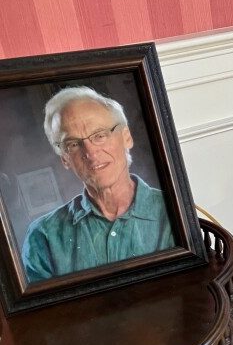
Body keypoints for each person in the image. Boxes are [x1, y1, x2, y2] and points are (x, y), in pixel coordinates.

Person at [22, 86, 175, 283]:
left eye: (100, 135)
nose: (91, 153)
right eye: (73, 144)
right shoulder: (43, 236)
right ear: (65, 159)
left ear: (126, 137)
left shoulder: (173, 210)